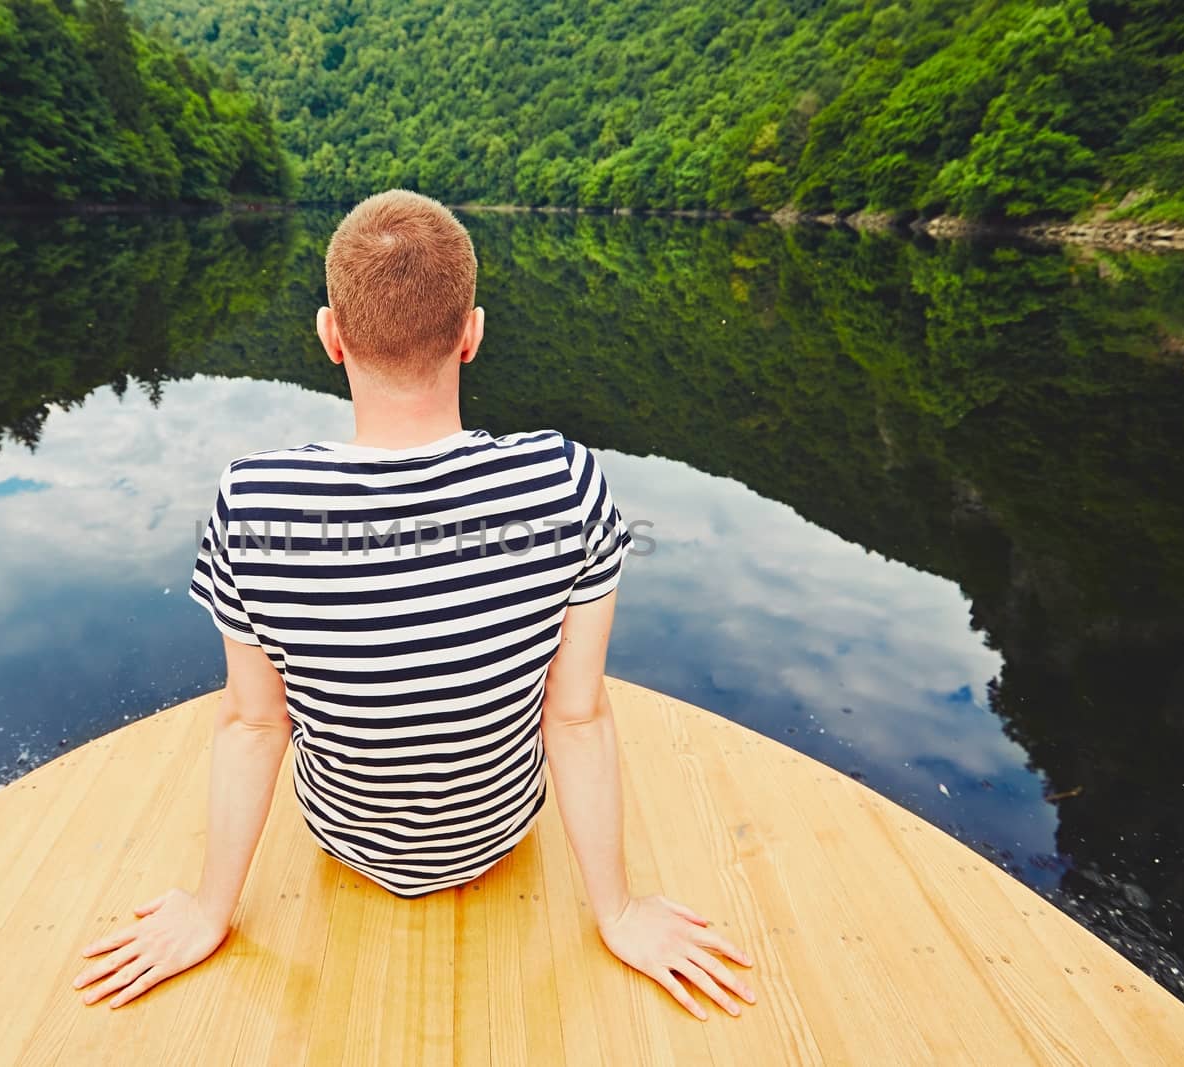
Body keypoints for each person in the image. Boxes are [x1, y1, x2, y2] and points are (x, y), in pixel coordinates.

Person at [72, 189, 756, 1020]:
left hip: (345, 842)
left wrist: (212, 908)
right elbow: (574, 717)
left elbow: (256, 723)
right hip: (501, 834)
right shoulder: (564, 480)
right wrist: (616, 911)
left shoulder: (253, 501)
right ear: (472, 333)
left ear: (331, 335)